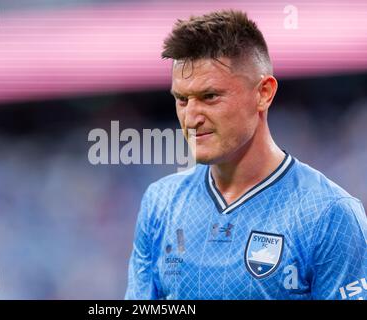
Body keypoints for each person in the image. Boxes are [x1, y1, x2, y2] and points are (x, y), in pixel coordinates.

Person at [124, 10, 367, 300]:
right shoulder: (160, 203)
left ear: (263, 93)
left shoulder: (329, 214)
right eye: (181, 99)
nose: (190, 118)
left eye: (210, 96)